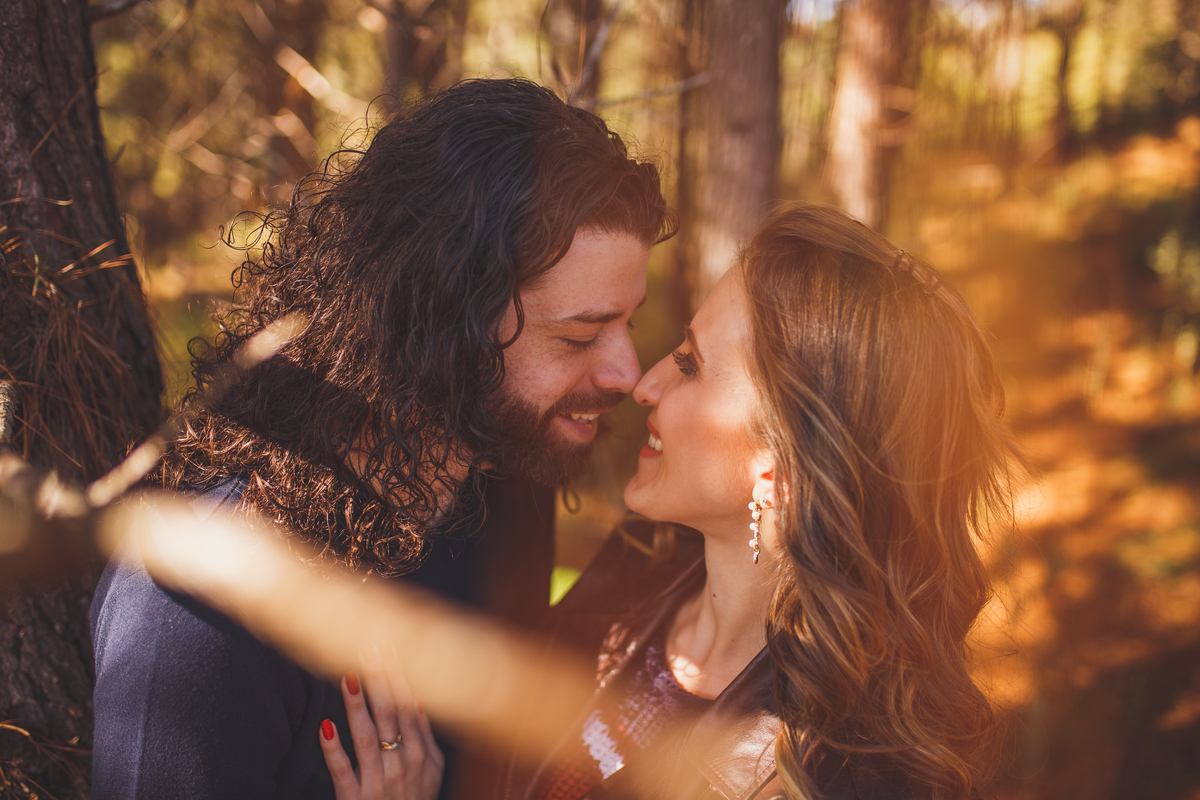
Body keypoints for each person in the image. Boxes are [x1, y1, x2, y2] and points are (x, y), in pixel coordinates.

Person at [89, 78, 676, 799]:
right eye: (579, 336)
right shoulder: (195, 606)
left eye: (628, 322)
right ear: (442, 324)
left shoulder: (507, 493)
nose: (628, 371)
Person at [323, 204, 1019, 800]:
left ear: (782, 468)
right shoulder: (640, 564)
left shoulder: (838, 775)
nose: (645, 384)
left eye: (690, 365)